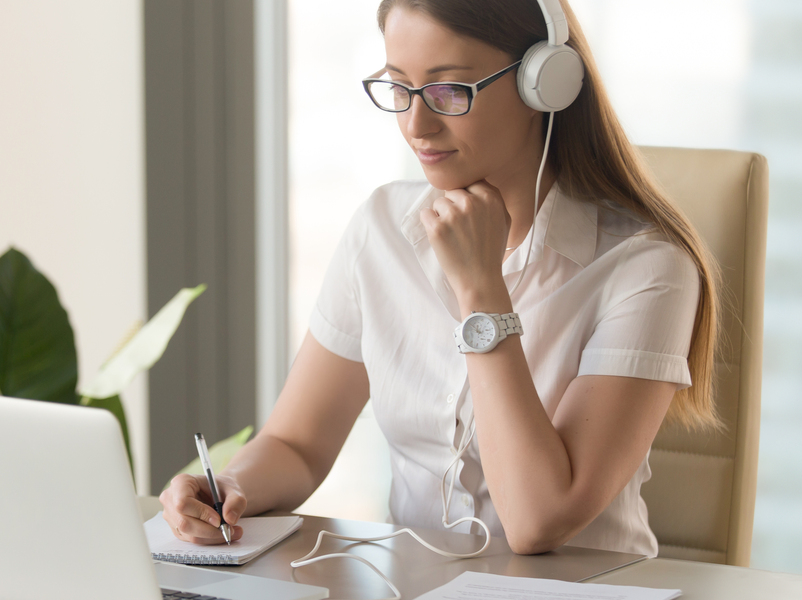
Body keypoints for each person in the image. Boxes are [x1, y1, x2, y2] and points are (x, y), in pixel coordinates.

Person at [161, 0, 720, 557]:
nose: (415, 125)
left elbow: (538, 521)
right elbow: (297, 443)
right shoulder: (380, 229)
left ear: (544, 84)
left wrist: (481, 290)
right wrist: (233, 487)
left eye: (450, 92)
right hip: (407, 585)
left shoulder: (647, 267)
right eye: (399, 89)